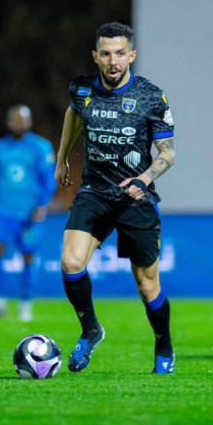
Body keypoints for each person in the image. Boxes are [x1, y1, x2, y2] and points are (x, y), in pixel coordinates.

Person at [54, 22, 176, 374]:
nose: (113, 61)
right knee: (71, 262)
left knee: (147, 286)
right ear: (95, 56)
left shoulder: (150, 96)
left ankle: (164, 346)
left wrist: (145, 178)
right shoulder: (81, 89)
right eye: (106, 54)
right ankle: (90, 329)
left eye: (120, 53)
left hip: (134, 198)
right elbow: (73, 113)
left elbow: (168, 152)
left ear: (131, 55)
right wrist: (62, 157)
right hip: (94, 192)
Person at [0, 105, 56, 322]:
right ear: (8, 122)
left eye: (22, 119)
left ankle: (25, 303)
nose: (18, 123)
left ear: (29, 122)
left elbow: (48, 180)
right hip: (2, 211)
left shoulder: (41, 146)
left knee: (28, 255)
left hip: (29, 212)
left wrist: (42, 205)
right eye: (14, 119)